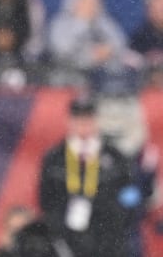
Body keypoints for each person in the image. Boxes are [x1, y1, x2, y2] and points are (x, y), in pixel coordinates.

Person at [38, 96, 139, 257]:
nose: (84, 124)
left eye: (88, 118)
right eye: (78, 119)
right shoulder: (54, 158)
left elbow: (131, 196)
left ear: (97, 120)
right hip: (67, 240)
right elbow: (46, 200)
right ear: (69, 121)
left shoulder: (116, 157)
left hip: (109, 240)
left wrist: (114, 221)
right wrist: (61, 227)